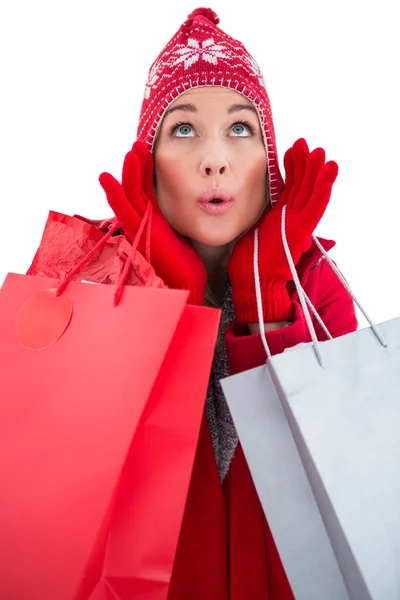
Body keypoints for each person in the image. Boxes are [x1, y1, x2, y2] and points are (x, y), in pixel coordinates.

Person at [31, 7, 358, 599]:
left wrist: (266, 305)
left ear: (269, 160)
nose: (216, 158)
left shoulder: (317, 291)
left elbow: (333, 504)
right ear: (148, 160)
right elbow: (64, 513)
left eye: (241, 128)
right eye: (183, 129)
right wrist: (168, 311)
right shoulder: (83, 286)